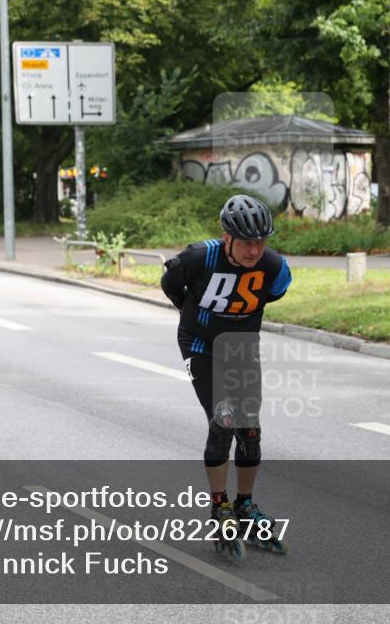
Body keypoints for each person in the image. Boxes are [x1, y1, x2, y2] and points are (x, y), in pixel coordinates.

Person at [160, 194, 292, 560]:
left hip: (240, 347)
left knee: (249, 426)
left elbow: (274, 294)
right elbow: (170, 284)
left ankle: (245, 506)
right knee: (224, 419)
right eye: (247, 242)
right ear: (226, 236)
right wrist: (193, 314)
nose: (254, 251)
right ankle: (220, 508)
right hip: (199, 345)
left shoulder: (274, 266)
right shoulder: (199, 257)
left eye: (260, 242)